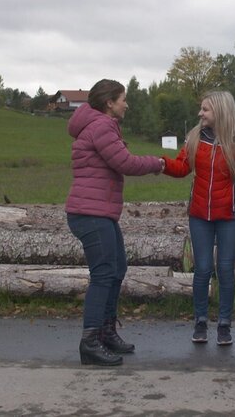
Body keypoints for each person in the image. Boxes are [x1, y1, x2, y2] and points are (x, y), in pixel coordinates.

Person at [65, 79, 165, 366]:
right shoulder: (102, 126)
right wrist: (157, 164)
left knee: (117, 268)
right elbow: (125, 163)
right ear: (109, 102)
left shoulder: (98, 124)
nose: (127, 103)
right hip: (91, 213)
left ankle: (106, 332)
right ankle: (90, 342)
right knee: (104, 275)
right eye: (123, 98)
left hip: (98, 212)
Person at [161, 90, 235, 345]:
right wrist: (160, 163)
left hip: (230, 216)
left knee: (225, 269)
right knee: (203, 269)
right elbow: (183, 167)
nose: (200, 114)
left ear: (219, 111)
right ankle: (200, 322)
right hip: (199, 216)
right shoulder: (195, 136)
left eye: (205, 109)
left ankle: (225, 324)